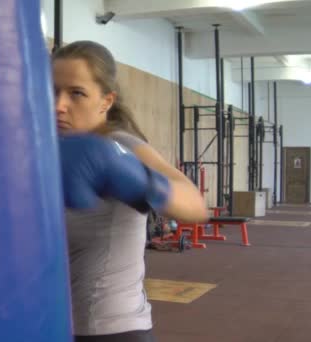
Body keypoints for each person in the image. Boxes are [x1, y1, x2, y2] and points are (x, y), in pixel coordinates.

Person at [53, 40, 208, 342]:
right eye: (53, 91)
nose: (59, 104)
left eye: (76, 93)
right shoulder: (43, 150)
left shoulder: (120, 145)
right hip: (51, 324)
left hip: (113, 330)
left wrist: (136, 178)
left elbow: (195, 206)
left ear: (106, 101)